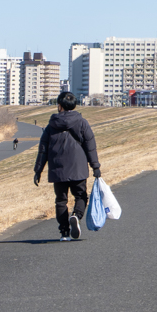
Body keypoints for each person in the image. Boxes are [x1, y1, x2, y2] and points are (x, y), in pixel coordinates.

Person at [34, 91, 101, 241]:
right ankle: (76, 215)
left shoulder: (51, 125)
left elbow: (43, 150)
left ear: (59, 106)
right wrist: (95, 166)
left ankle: (64, 232)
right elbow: (90, 146)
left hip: (58, 167)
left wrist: (38, 171)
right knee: (81, 195)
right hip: (78, 166)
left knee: (61, 200)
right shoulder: (82, 122)